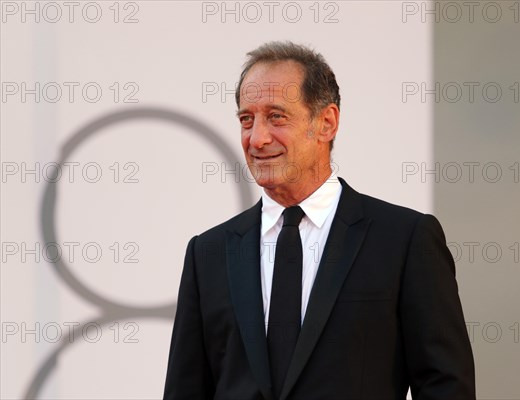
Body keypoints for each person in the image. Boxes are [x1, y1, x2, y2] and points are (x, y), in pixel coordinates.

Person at [163, 41, 475, 400]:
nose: (257, 138)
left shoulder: (404, 241)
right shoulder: (209, 253)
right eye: (247, 119)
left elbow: (446, 386)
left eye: (276, 116)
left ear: (326, 123)